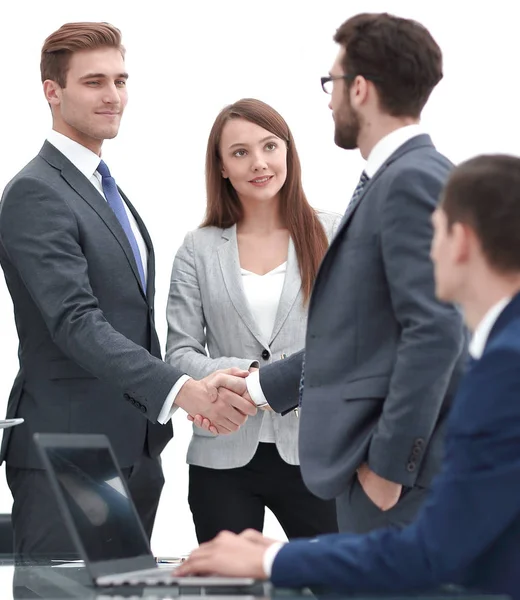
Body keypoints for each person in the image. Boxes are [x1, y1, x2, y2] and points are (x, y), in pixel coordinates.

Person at [177, 153, 520, 600]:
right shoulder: (496, 353)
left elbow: (433, 552)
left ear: (461, 242)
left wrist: (270, 560)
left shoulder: (504, 368)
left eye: (431, 231)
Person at [194, 11, 468, 533]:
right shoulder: (398, 178)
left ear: (359, 89)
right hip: (378, 477)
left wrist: (387, 469)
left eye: (333, 83)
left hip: (398, 486)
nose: (329, 100)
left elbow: (436, 330)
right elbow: (360, 340)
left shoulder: (409, 181)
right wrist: (256, 389)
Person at [0, 22, 255, 560]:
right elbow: (76, 322)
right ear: (52, 90)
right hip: (72, 449)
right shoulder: (35, 192)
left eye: (120, 80)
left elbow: (127, 322)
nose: (113, 96)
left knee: (122, 593)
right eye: (94, 82)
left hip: (132, 448)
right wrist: (183, 389)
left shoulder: (101, 186)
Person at [166, 98, 339, 543]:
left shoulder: (334, 234)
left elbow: (349, 342)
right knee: (229, 590)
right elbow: (180, 351)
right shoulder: (198, 248)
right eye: (240, 152)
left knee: (340, 586)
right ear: (222, 166)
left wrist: (270, 382)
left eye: (269, 146)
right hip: (223, 456)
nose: (258, 163)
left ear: (288, 152)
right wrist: (240, 381)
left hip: (316, 452)